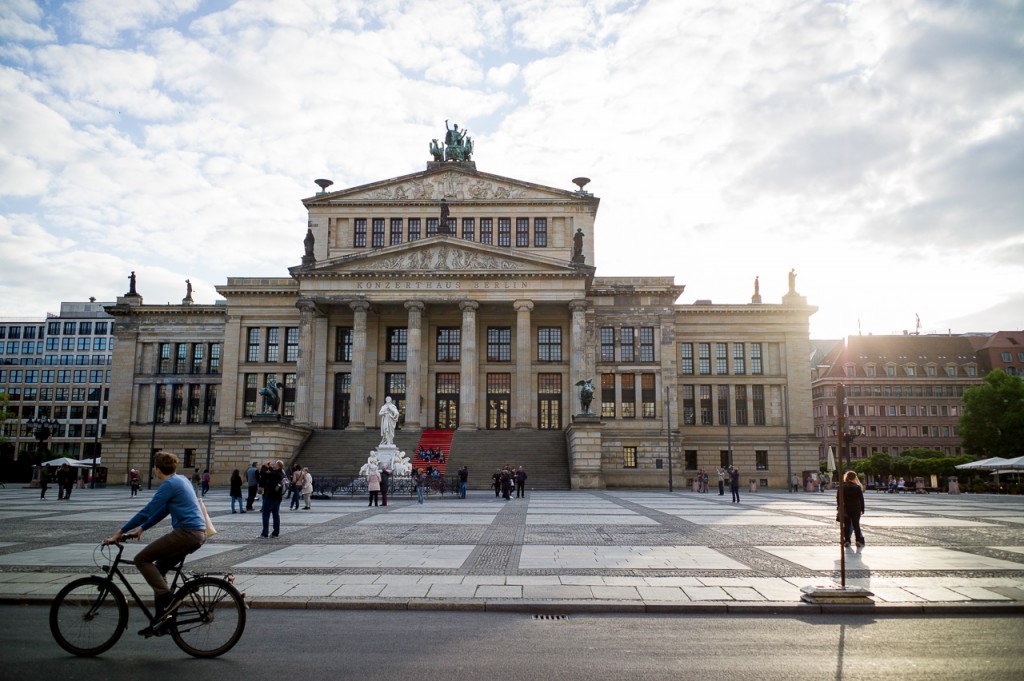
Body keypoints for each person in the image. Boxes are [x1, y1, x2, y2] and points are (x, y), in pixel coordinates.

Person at [105, 451, 206, 630]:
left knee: (141, 559)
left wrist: (120, 532)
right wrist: (142, 529)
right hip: (197, 533)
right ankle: (163, 619)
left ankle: (168, 599)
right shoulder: (181, 479)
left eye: (154, 467)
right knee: (159, 568)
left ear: (158, 469)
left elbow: (147, 511)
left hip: (187, 533)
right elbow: (163, 510)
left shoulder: (169, 484)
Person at [837, 470, 866, 547]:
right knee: (856, 524)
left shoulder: (841, 487)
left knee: (847, 525)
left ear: (846, 477)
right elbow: (861, 499)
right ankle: (858, 541)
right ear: (854, 478)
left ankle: (847, 541)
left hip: (846, 508)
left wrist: (839, 507)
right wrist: (862, 509)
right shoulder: (857, 487)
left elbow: (838, 498)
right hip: (856, 508)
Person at [258, 460, 285, 538]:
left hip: (271, 497)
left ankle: (264, 533)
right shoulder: (281, 473)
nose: (273, 465)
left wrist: (264, 466)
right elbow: (272, 472)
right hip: (278, 498)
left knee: (265, 514)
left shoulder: (275, 474)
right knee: (276, 515)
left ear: (278, 466)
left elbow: (263, 474)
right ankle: (275, 533)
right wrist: (269, 467)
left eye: (275, 464)